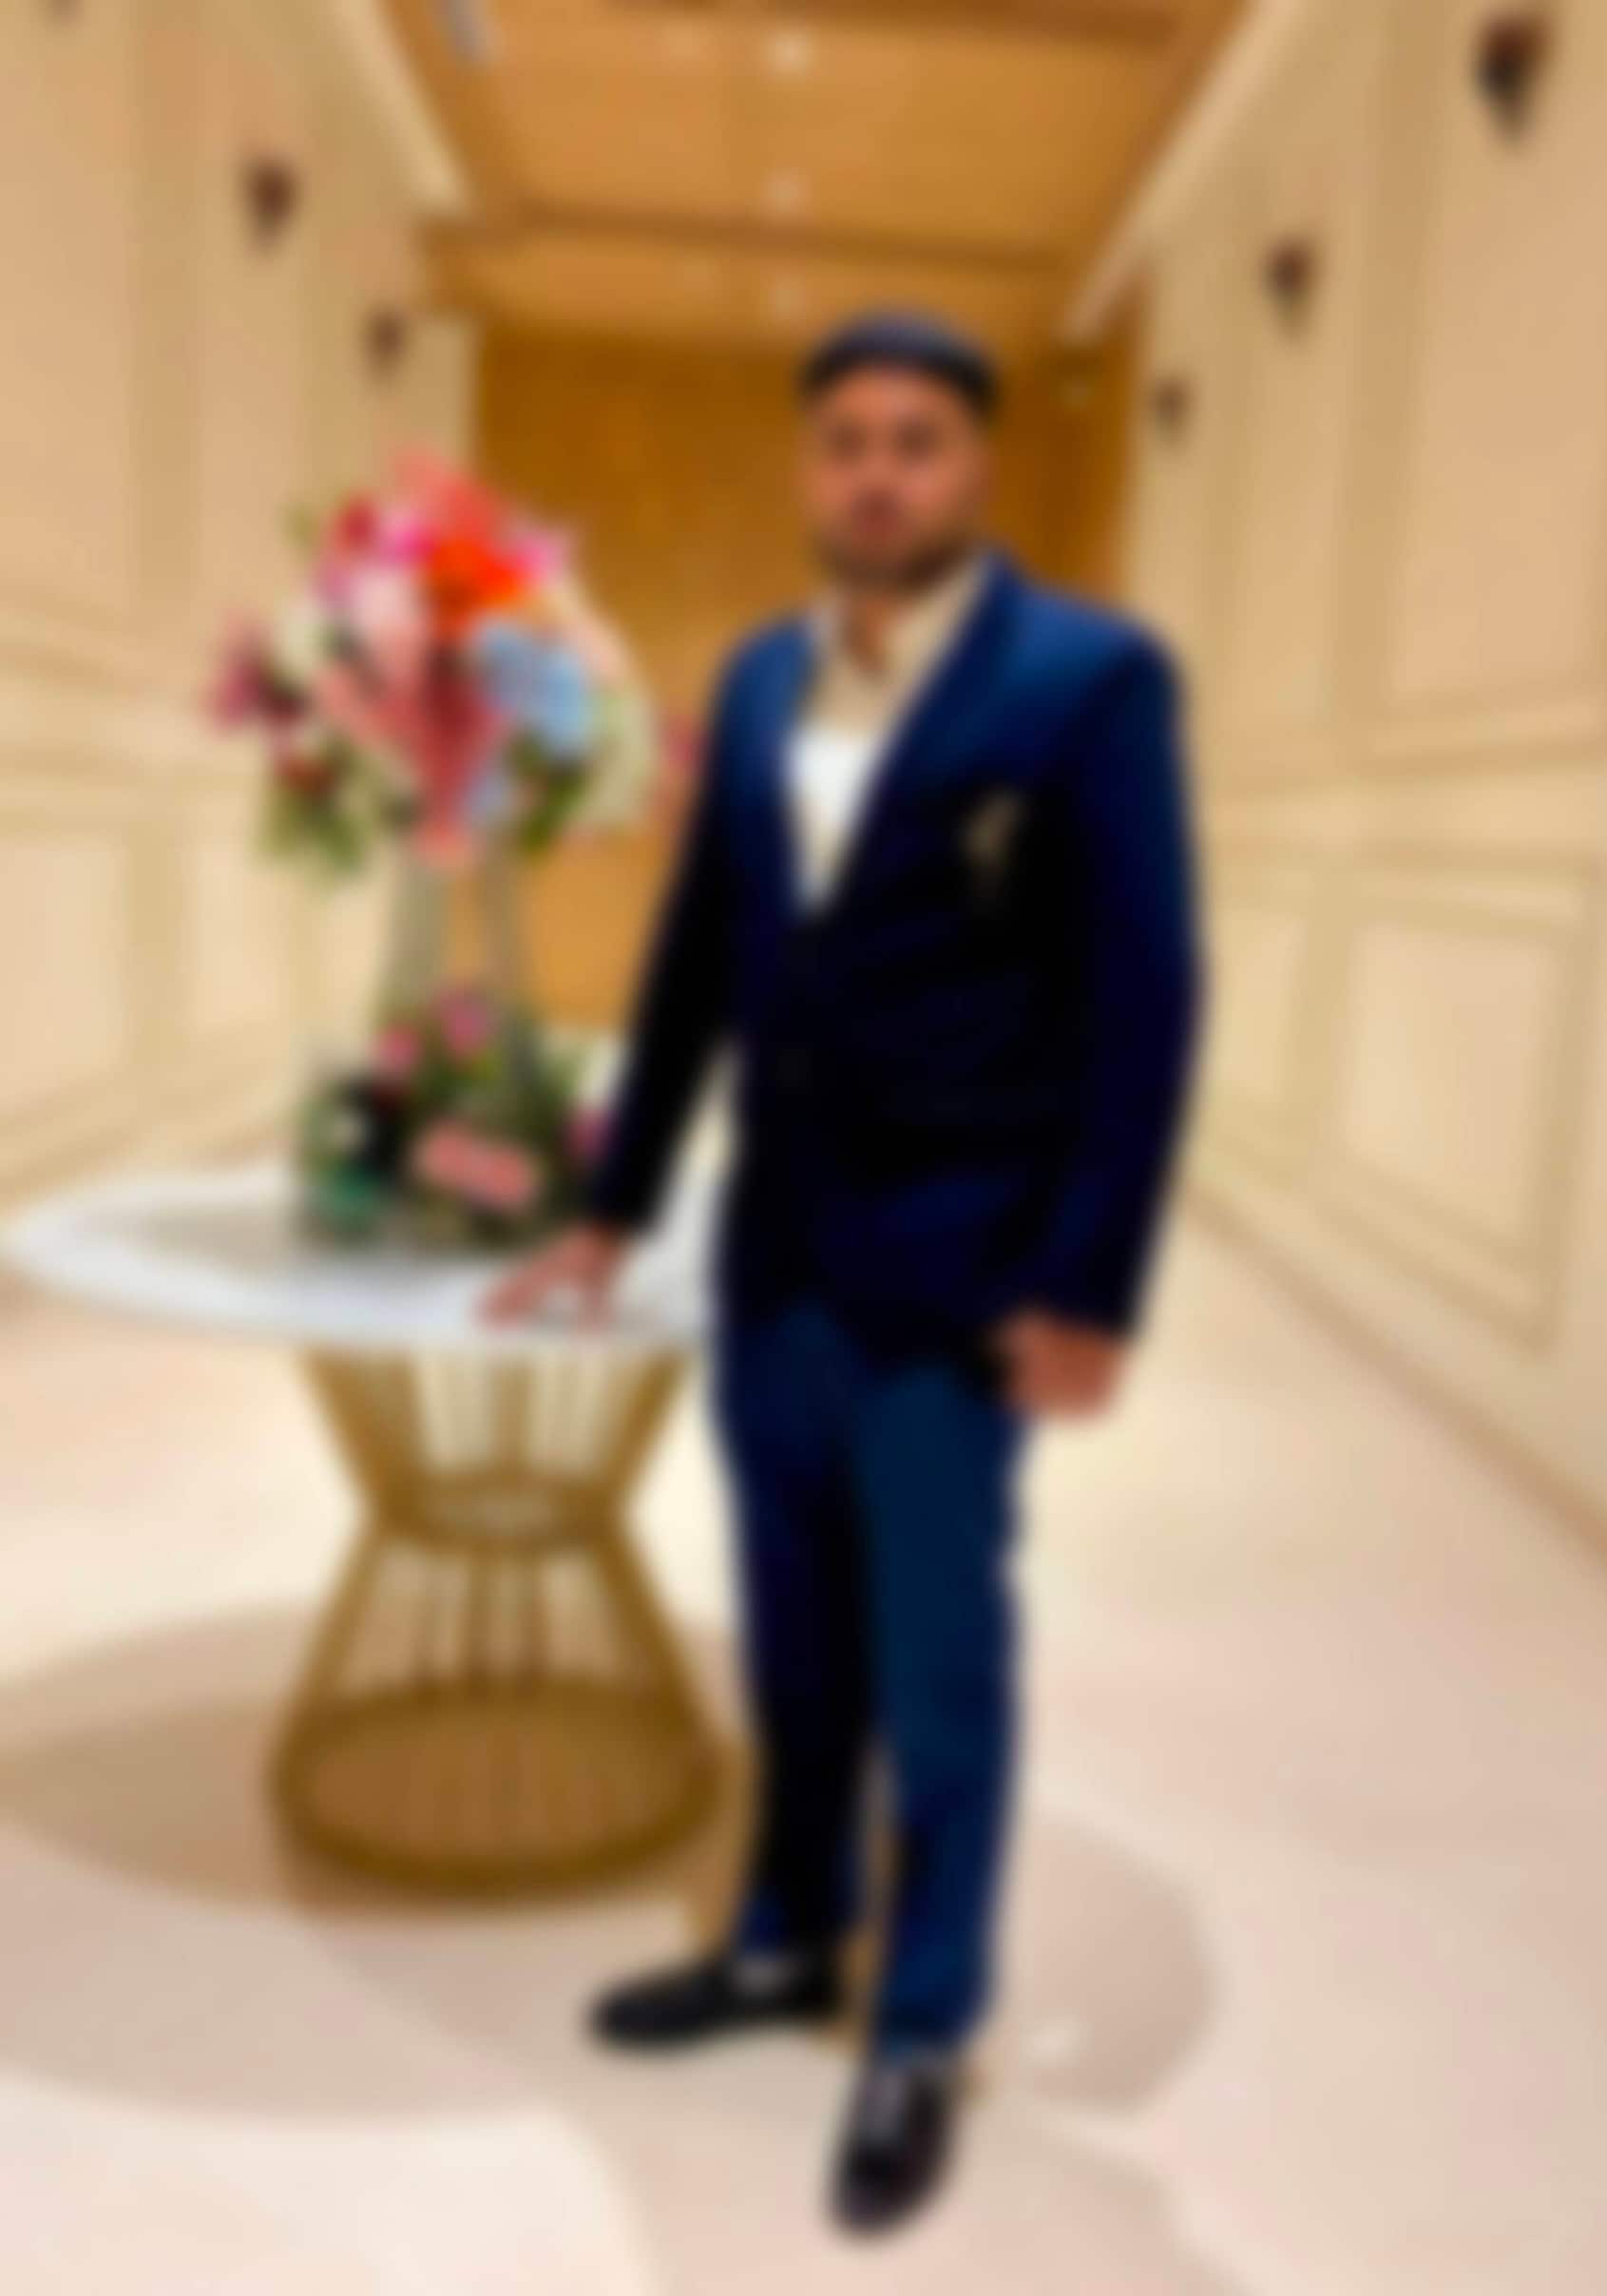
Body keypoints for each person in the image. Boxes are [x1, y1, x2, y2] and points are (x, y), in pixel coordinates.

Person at [487, 309, 1203, 2236]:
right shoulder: (757, 674)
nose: (877, 474)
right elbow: (699, 958)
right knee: (796, 1633)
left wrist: (1092, 1285)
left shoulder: (1088, 676)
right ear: (811, 468)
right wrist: (616, 1201)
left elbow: (1145, 996)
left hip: (960, 1271)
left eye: (916, 441)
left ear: (974, 466)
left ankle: (924, 2021)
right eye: (846, 443)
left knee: (939, 1662)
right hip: (776, 1253)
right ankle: (789, 1933)